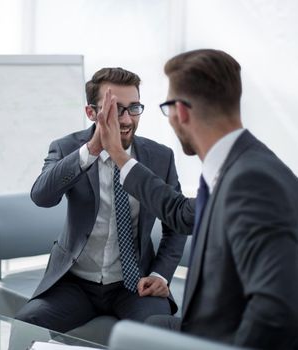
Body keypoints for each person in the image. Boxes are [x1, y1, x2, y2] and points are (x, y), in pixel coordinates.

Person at [96, 49, 298, 349]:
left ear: (181, 111)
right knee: (151, 328)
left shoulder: (252, 182)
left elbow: (277, 313)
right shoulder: (237, 164)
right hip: (212, 325)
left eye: (167, 108)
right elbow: (180, 212)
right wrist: (118, 154)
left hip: (225, 338)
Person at [15, 67, 188, 333]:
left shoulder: (160, 157)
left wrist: (159, 274)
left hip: (134, 285)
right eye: (116, 109)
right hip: (74, 283)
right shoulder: (66, 148)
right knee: (28, 324)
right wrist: (92, 149)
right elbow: (42, 196)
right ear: (91, 113)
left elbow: (176, 224)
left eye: (134, 108)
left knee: (159, 333)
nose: (127, 119)